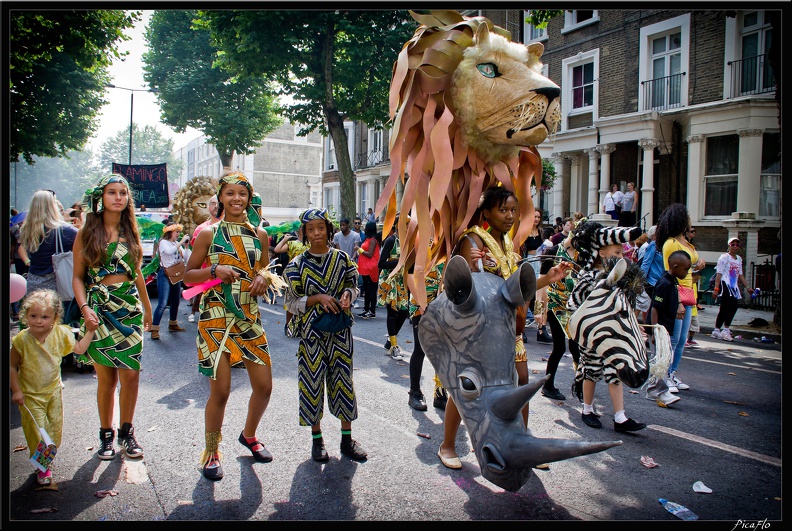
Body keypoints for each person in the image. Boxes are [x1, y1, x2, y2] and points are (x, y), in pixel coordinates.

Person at [438, 187, 572, 468]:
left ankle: (521, 445)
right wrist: (482, 268)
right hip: (480, 332)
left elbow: (515, 289)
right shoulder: (472, 240)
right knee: (468, 389)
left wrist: (549, 278)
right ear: (486, 213)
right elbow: (471, 288)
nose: (510, 216)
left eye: (513, 210)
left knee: (521, 384)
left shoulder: (509, 245)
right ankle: (448, 445)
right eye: (503, 210)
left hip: (510, 328)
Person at [184, 172, 277, 481]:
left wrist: (265, 276)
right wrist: (214, 269)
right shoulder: (209, 233)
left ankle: (249, 435)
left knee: (264, 386)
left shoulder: (260, 235)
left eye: (242, 193)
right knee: (221, 391)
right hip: (215, 318)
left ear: (249, 199)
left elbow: (263, 267)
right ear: (221, 198)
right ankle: (211, 452)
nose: (236, 198)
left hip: (249, 318)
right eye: (230, 193)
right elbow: (187, 275)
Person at [72, 173, 153, 460]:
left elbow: (137, 270)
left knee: (131, 376)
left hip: (128, 308)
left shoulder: (131, 230)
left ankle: (127, 433)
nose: (118, 197)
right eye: (112, 192)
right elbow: (78, 279)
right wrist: (85, 308)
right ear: (101, 198)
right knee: (106, 380)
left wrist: (147, 305)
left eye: (123, 192)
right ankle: (106, 436)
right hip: (98, 309)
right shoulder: (86, 233)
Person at [283, 208, 367, 463]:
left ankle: (346, 439)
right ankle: (317, 440)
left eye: (321, 228)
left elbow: (355, 286)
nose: (317, 233)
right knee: (311, 383)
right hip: (311, 335)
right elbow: (290, 302)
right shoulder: (295, 266)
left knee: (343, 382)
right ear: (304, 234)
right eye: (311, 229)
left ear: (329, 230)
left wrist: (348, 296)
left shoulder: (342, 260)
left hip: (340, 333)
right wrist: (316, 298)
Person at [9, 289, 97, 485]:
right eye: (33, 316)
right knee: (38, 432)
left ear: (55, 317)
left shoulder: (61, 334)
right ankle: (43, 468)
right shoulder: (21, 340)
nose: (38, 321)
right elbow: (11, 365)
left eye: (45, 316)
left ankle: (45, 459)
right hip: (30, 396)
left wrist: (90, 330)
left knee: (54, 434)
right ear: (25, 315)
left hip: (54, 392)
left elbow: (80, 349)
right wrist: (16, 389)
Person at [566, 219, 645, 432]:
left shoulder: (617, 279)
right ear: (601, 252)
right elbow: (574, 304)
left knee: (616, 371)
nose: (621, 257)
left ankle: (620, 417)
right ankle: (587, 409)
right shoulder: (588, 277)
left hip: (614, 335)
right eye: (616, 252)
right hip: (593, 336)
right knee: (590, 369)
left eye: (622, 254)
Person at [655, 203, 702, 393]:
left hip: (689, 292)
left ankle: (672, 373)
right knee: (673, 338)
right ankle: (664, 376)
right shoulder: (671, 244)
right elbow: (670, 273)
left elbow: (689, 266)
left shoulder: (686, 243)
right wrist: (679, 303)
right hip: (677, 294)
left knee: (682, 339)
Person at [645, 250, 691, 407]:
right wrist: (656, 331)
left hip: (664, 329)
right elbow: (655, 308)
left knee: (662, 361)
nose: (687, 272)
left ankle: (655, 390)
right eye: (685, 269)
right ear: (676, 267)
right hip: (659, 329)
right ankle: (660, 392)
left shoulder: (672, 281)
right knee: (661, 362)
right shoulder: (664, 283)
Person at [18, 189, 79, 305]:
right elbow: (86, 240)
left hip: (33, 283)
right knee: (57, 319)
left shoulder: (27, 230)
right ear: (52, 206)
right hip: (57, 284)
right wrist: (80, 223)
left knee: (37, 319)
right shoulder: (64, 231)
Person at [407, 259, 445, 412]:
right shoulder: (418, 241)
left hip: (444, 303)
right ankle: (414, 392)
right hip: (421, 304)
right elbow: (409, 276)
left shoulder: (447, 241)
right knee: (420, 348)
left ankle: (440, 393)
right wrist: (422, 304)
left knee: (443, 349)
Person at [377, 214, 410, 361]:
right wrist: (399, 262)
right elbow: (381, 263)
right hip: (390, 282)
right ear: (398, 225)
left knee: (404, 312)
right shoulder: (391, 241)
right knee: (392, 313)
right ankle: (394, 347)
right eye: (407, 224)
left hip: (402, 282)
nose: (409, 227)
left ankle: (390, 340)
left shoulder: (409, 242)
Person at [150, 222, 190, 339]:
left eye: (179, 232)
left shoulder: (176, 243)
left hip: (176, 274)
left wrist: (186, 247)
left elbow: (186, 257)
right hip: (165, 274)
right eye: (176, 232)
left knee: (176, 301)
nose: (178, 234)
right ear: (170, 232)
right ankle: (154, 329)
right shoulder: (163, 243)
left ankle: (173, 324)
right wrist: (182, 242)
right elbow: (169, 252)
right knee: (162, 303)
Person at [188, 195, 221, 323]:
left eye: (218, 203)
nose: (216, 206)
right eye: (213, 203)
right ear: (208, 208)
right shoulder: (201, 230)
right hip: (206, 279)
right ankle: (194, 312)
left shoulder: (233, 228)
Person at [711, 237, 751, 342]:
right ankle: (726, 329)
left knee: (724, 308)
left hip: (733, 286)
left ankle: (716, 329)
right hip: (725, 284)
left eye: (737, 245)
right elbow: (719, 274)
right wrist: (716, 288)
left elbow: (740, 275)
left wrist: (748, 287)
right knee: (733, 306)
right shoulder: (724, 257)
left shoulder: (738, 259)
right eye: (733, 244)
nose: (735, 246)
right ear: (729, 245)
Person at [521, 209, 551, 343]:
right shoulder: (524, 231)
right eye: (535, 216)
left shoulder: (541, 232)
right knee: (526, 297)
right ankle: (520, 329)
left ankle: (541, 327)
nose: (537, 219)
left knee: (542, 296)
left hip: (540, 263)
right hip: (528, 262)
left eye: (538, 217)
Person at [355, 221, 380, 319]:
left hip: (371, 267)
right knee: (367, 290)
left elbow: (369, 254)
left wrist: (359, 249)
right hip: (365, 268)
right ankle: (366, 309)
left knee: (371, 290)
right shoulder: (368, 239)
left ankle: (372, 310)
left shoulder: (373, 240)